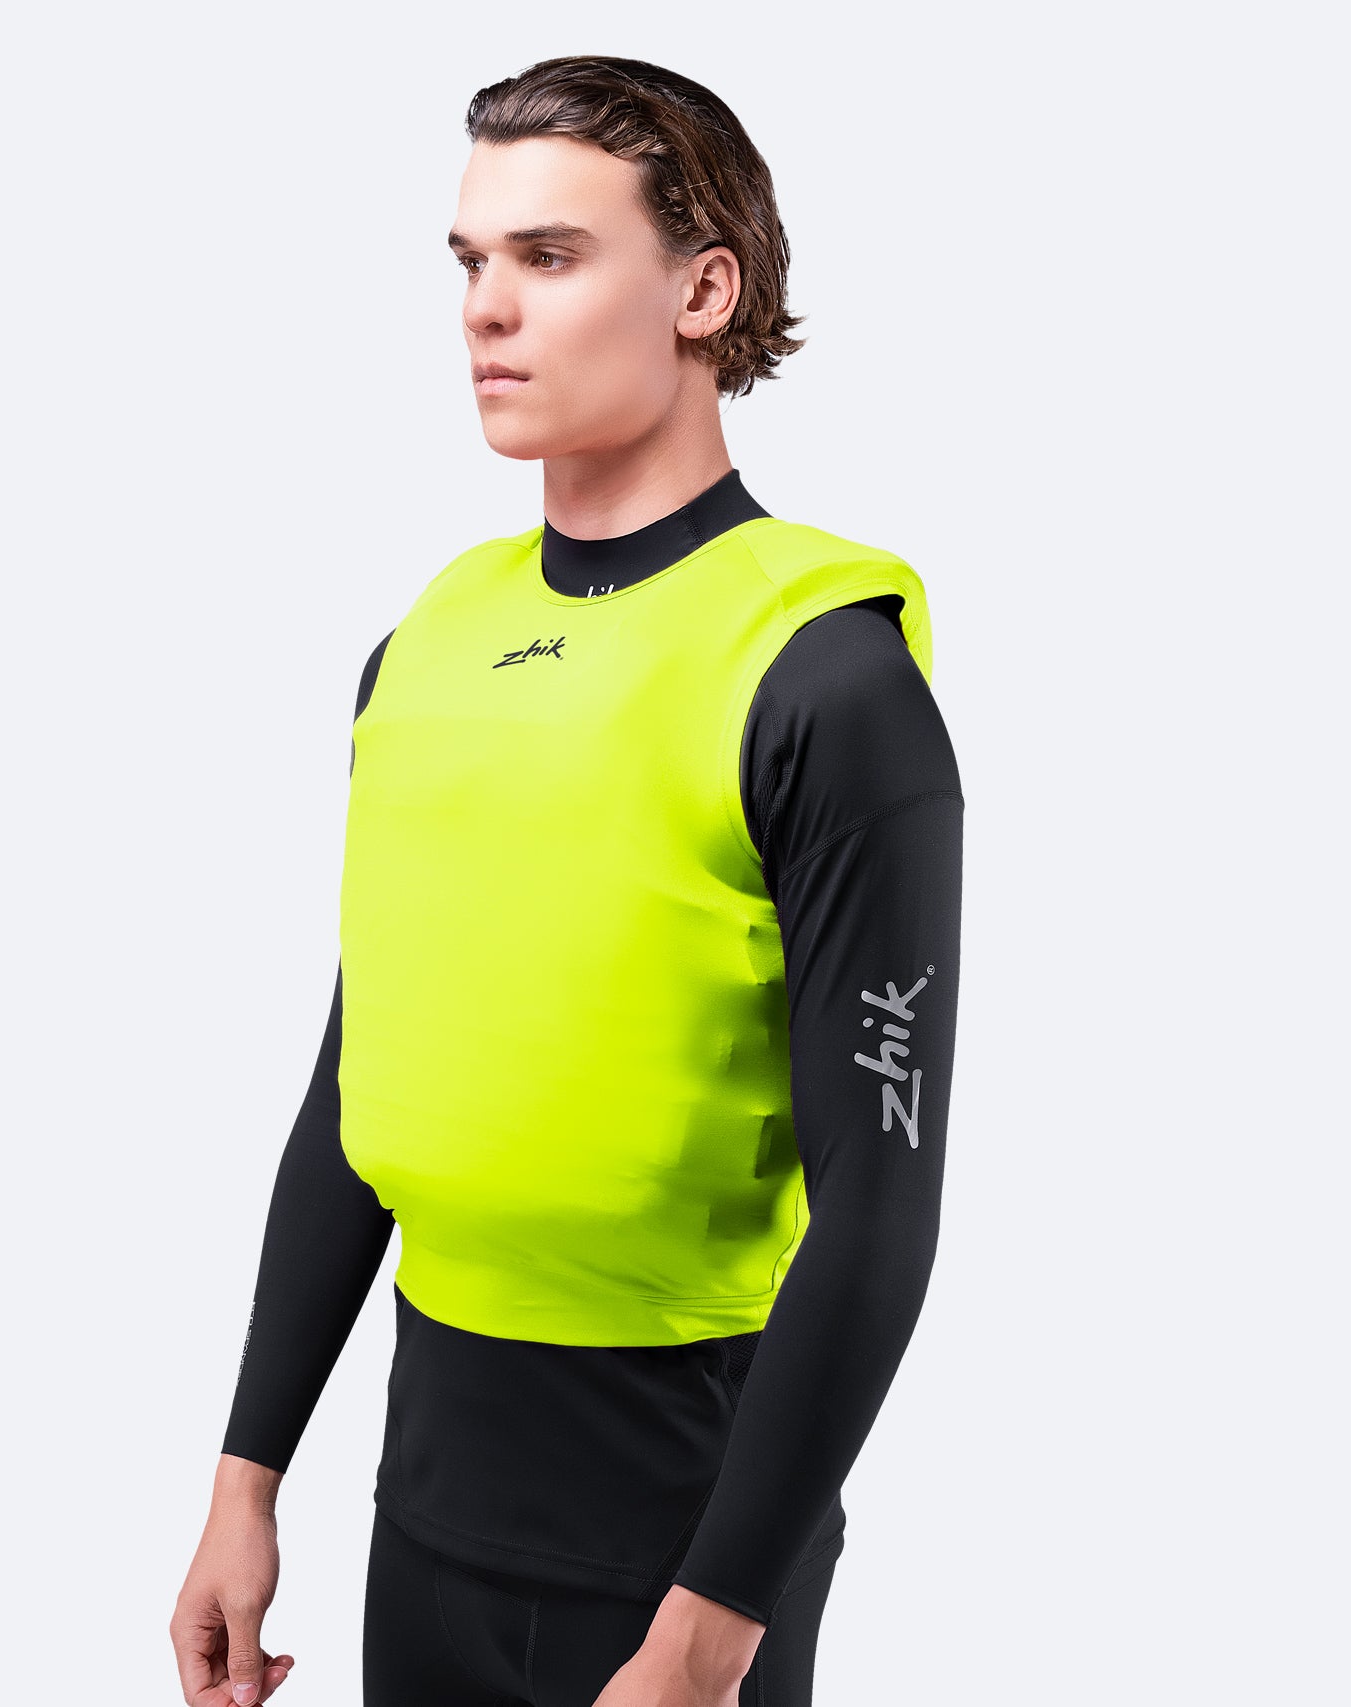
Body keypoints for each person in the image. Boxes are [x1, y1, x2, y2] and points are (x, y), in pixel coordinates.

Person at [170, 53, 964, 1707]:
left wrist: (710, 1631)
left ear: (702, 290)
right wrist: (246, 1481)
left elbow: (878, 1206)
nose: (486, 306)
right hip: (430, 1496)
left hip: (689, 1512)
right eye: (471, 260)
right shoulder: (424, 645)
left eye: (548, 255)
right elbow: (358, 1088)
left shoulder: (821, 674)